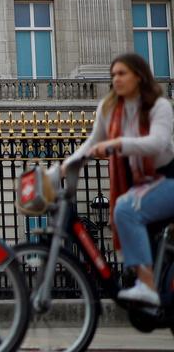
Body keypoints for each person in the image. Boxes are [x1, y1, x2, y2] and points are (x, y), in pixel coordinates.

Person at [64, 52, 174, 306]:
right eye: (113, 74)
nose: (116, 79)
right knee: (126, 208)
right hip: (144, 184)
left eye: (122, 73)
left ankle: (146, 285)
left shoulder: (160, 106)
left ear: (139, 76)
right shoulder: (110, 109)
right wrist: (62, 168)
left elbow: (157, 142)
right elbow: (92, 143)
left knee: (125, 208)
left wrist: (117, 143)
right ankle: (146, 277)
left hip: (167, 178)